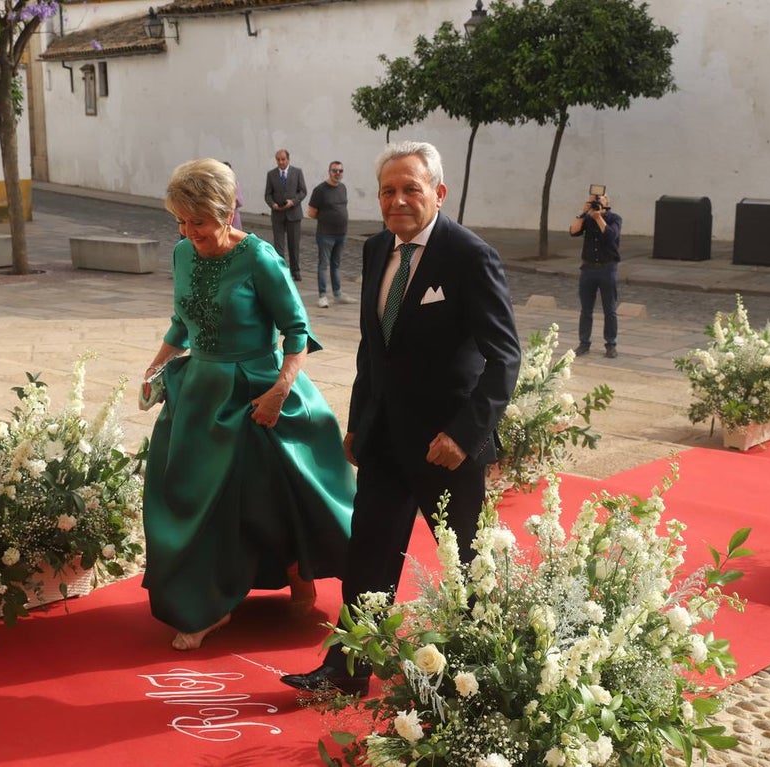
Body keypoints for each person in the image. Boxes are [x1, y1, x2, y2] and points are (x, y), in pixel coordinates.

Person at [280, 140, 522, 696]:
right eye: (387, 191)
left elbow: (505, 357)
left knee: (464, 564)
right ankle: (348, 669)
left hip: (446, 445)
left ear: (438, 192)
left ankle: (480, 675)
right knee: (367, 555)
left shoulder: (469, 256)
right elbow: (374, 350)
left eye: (411, 188)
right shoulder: (375, 250)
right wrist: (358, 421)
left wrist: (465, 434)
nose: (398, 200)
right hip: (385, 438)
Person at [142, 158, 355, 652]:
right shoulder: (182, 253)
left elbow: (297, 332)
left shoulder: (260, 258)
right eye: (181, 221)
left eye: (198, 221)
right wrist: (153, 372)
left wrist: (280, 392)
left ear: (225, 212)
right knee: (193, 500)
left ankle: (294, 576)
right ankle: (209, 602)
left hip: (257, 393)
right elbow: (181, 324)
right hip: (199, 394)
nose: (188, 231)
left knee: (269, 496)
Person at [569, 190, 622, 358]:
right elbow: (573, 231)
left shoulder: (614, 219)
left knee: (610, 310)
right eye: (594, 199)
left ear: (607, 201)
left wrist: (599, 217)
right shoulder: (587, 218)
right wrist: (583, 213)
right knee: (586, 309)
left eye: (600, 198)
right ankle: (584, 343)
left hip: (608, 268)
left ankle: (611, 344)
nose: (597, 201)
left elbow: (611, 236)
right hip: (588, 269)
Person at [307, 160, 355, 309]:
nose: (337, 173)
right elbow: (311, 213)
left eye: (340, 171)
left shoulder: (343, 188)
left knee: (336, 264)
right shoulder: (320, 190)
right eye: (335, 171)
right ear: (329, 172)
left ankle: (337, 293)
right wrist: (327, 219)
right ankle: (322, 296)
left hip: (341, 233)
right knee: (323, 265)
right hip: (325, 234)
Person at [263, 149, 307, 280]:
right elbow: (268, 194)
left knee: (294, 244)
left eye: (283, 159)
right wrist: (272, 204)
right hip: (278, 214)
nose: (281, 162)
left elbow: (303, 191)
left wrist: (293, 202)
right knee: (279, 245)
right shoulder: (271, 174)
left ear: (288, 159)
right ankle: (281, 271)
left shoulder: (297, 172)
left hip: (294, 213)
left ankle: (295, 271)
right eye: (278, 160)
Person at [223, 160, 244, 230]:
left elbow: (240, 201)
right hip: (221, 216)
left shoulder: (234, 183)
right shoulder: (216, 183)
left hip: (233, 215)